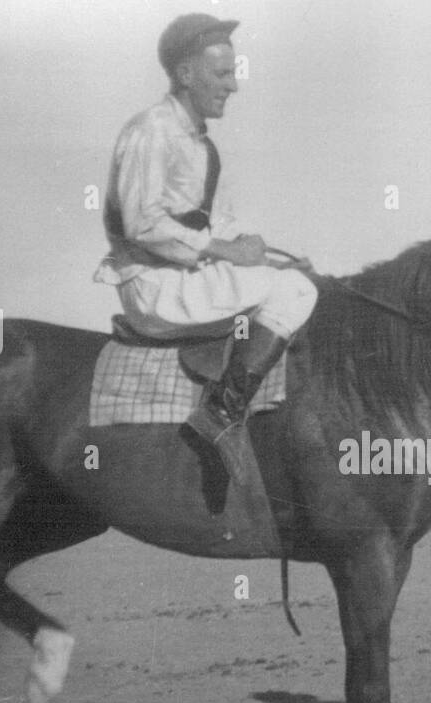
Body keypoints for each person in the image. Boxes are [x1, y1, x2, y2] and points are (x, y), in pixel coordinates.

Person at [93, 13, 317, 474]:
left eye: (232, 73)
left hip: (179, 278)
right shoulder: (152, 129)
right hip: (151, 287)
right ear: (185, 74)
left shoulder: (199, 144)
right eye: (222, 74)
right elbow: (143, 223)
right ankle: (221, 412)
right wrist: (232, 254)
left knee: (294, 278)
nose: (232, 86)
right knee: (296, 292)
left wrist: (262, 255)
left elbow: (211, 232)